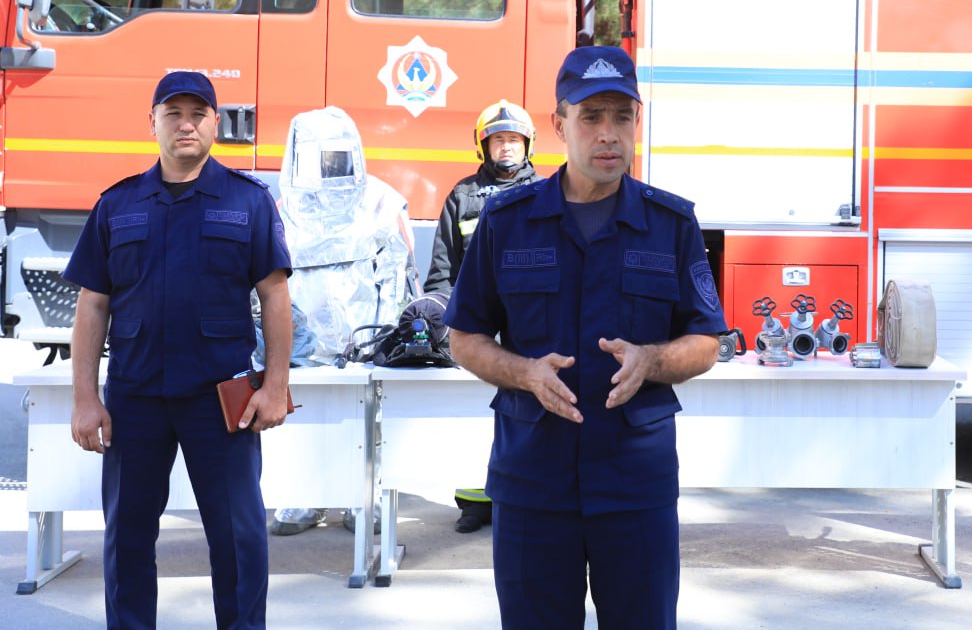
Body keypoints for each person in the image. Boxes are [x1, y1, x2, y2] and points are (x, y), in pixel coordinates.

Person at [444, 45, 727, 629]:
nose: (608, 134)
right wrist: (525, 373)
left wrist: (651, 360)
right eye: (591, 116)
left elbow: (706, 341)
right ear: (559, 124)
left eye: (622, 117)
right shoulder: (507, 220)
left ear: (637, 122)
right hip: (533, 481)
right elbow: (464, 337)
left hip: (636, 485)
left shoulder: (670, 224)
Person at [65, 71, 293, 630]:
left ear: (216, 123)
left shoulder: (248, 201)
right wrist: (85, 399)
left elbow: (275, 296)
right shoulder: (117, 204)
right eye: (173, 114)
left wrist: (276, 387)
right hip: (136, 399)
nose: (185, 125)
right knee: (127, 537)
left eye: (197, 114)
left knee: (238, 537)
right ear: (153, 123)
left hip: (222, 400)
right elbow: (92, 306)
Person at [269, 106, 414, 536]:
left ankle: (364, 499)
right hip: (305, 341)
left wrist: (386, 336)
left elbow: (398, 275)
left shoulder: (381, 203)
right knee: (307, 418)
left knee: (369, 420)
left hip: (365, 335)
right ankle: (306, 496)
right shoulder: (282, 209)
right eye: (318, 157)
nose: (327, 167)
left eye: (335, 156)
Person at [425, 99, 540, 533]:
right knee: (471, 419)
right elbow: (442, 270)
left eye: (514, 139)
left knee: (527, 418)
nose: (506, 147)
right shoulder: (462, 195)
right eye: (498, 140)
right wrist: (443, 321)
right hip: (475, 330)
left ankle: (523, 498)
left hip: (529, 327)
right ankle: (474, 504)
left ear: (528, 145)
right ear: (483, 146)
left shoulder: (547, 193)